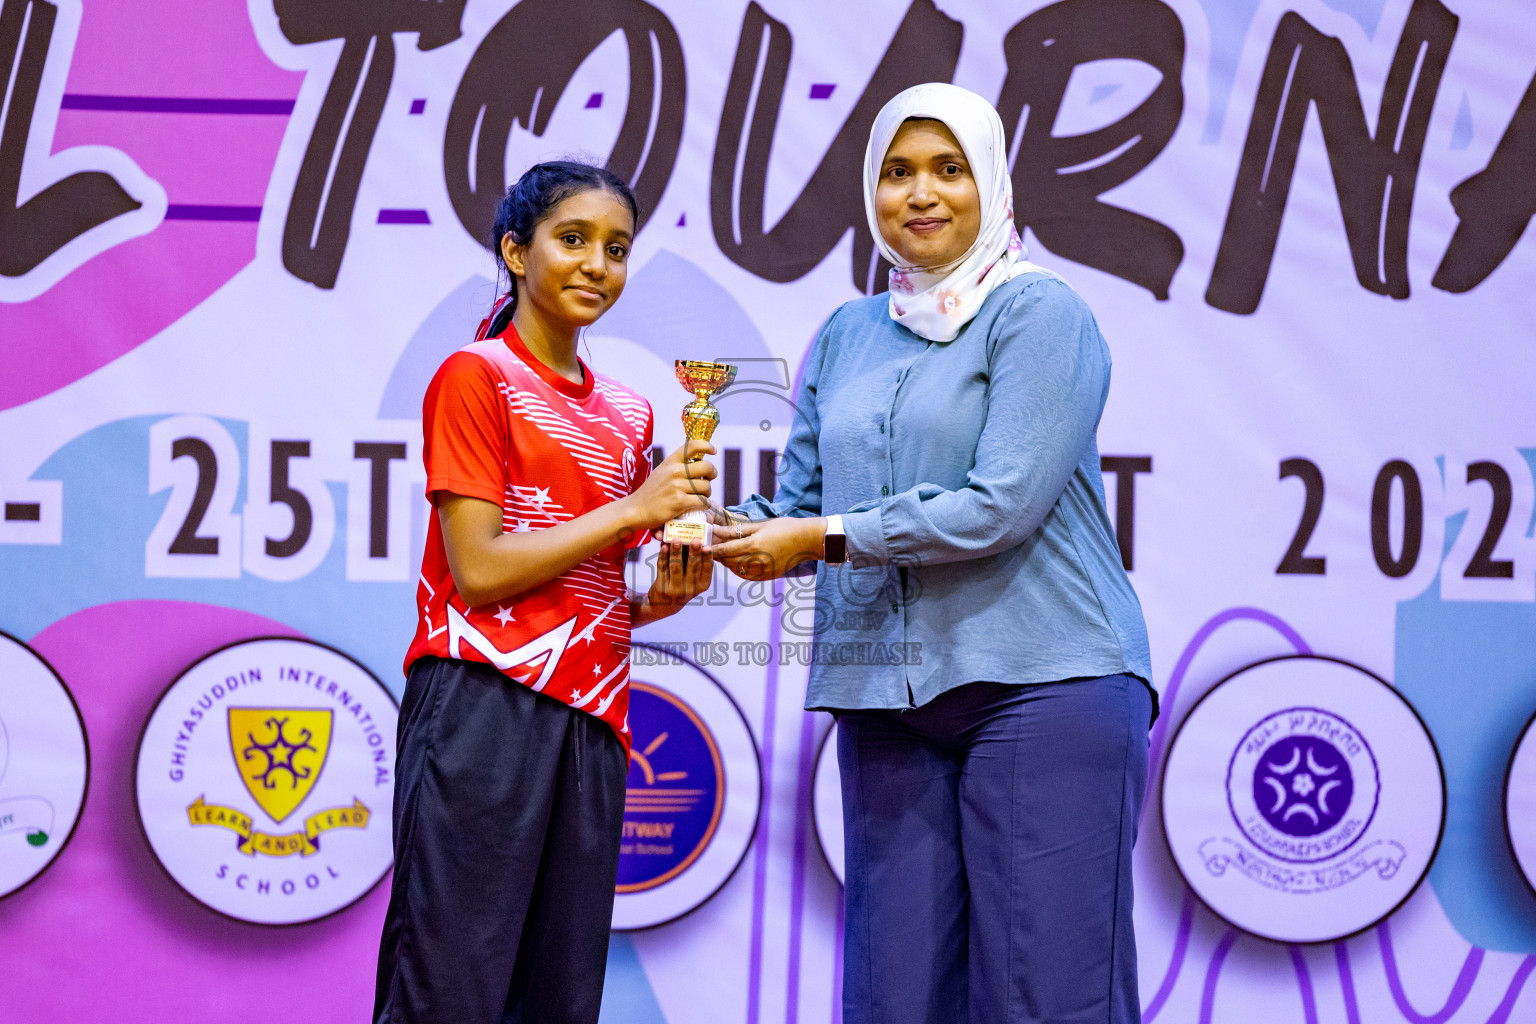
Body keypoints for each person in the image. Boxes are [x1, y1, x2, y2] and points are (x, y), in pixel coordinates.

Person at [709, 84, 1157, 1024]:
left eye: (948, 170)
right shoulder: (847, 330)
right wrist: (703, 531)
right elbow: (803, 509)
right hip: (886, 698)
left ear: (989, 183)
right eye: (897, 171)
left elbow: (1000, 508)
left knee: (1047, 996)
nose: (920, 194)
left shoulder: (1040, 313)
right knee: (890, 997)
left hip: (1045, 683)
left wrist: (821, 536)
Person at [374, 161, 717, 1024]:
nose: (597, 265)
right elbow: (481, 570)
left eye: (616, 248)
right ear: (514, 253)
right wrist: (634, 510)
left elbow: (588, 580)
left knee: (557, 998)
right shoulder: (475, 377)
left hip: (594, 723)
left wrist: (655, 600)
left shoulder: (632, 413)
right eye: (573, 241)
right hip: (481, 706)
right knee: (447, 991)